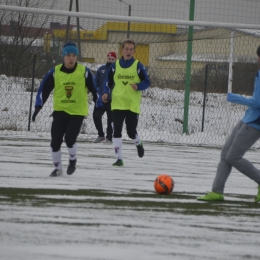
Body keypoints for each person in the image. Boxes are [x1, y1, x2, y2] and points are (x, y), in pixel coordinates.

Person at [197, 45, 260, 203]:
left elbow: (257, 102)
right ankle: (217, 191)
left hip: (255, 122)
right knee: (226, 154)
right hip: (248, 118)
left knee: (233, 157)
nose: (258, 59)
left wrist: (233, 97)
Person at [32, 42, 102, 177]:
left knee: (69, 139)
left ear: (76, 57)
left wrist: (98, 106)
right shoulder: (55, 72)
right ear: (63, 56)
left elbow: (95, 90)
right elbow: (44, 90)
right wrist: (37, 107)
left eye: (74, 55)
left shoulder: (84, 72)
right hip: (60, 112)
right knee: (55, 142)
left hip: (77, 112)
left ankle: (72, 160)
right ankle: (58, 169)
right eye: (68, 55)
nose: (71, 58)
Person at [102, 39, 150, 166]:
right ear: (122, 50)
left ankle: (138, 143)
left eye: (131, 49)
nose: (128, 51)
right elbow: (107, 80)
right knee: (116, 130)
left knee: (130, 131)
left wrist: (138, 86)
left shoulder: (138, 65)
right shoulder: (115, 65)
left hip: (131, 104)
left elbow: (147, 81)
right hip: (117, 103)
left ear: (134, 51)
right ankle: (119, 159)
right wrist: (106, 92)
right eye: (126, 49)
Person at [93, 52, 117, 144]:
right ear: (107, 58)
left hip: (111, 99)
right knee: (96, 115)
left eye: (112, 59)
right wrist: (95, 94)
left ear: (115, 60)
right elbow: (96, 83)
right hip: (101, 98)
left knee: (110, 119)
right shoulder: (101, 69)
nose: (110, 60)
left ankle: (109, 138)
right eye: (109, 59)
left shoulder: (117, 70)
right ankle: (101, 135)